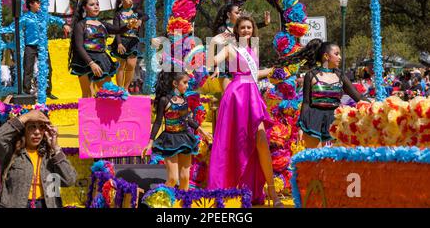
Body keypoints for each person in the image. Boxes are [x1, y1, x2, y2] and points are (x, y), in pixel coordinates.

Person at [207, 15, 282, 207]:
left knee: (261, 141)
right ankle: (231, 190)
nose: (246, 31)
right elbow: (210, 63)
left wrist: (276, 71)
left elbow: (254, 73)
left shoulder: (253, 49)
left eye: (249, 28)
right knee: (235, 143)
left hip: (253, 96)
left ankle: (271, 192)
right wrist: (213, 42)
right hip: (237, 96)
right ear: (237, 30)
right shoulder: (230, 48)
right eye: (243, 28)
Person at [282, 39, 368, 148]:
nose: (340, 57)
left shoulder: (340, 75)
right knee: (315, 160)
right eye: (336, 54)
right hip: (313, 121)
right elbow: (306, 103)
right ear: (326, 56)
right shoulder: (311, 75)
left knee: (334, 160)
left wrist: (376, 104)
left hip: (335, 121)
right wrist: (301, 127)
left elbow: (357, 96)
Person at [0, 0, 71, 99]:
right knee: (28, 69)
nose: (40, 5)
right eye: (37, 3)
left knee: (48, 69)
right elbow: (13, 28)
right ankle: (26, 92)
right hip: (30, 46)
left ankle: (47, 92)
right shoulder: (25, 18)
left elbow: (55, 19)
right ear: (31, 4)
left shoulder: (43, 16)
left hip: (42, 47)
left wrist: (64, 24)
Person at [0, 109, 77, 208]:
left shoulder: (50, 155)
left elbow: (69, 180)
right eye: (32, 127)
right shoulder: (12, 152)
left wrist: (55, 148)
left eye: (41, 127)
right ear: (23, 130)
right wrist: (26, 117)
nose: (37, 132)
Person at [141, 72, 211, 191]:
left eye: (187, 82)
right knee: (173, 179)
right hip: (170, 141)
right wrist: (150, 143)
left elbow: (187, 119)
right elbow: (158, 122)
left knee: (184, 178)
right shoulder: (164, 100)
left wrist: (201, 130)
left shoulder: (183, 99)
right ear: (175, 83)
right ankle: (157, 200)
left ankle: (183, 203)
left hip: (184, 139)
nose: (187, 85)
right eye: (185, 82)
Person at [68, 0, 135, 98]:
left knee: (108, 93)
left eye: (97, 4)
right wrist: (91, 63)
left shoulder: (102, 24)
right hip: (85, 61)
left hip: (102, 59)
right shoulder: (80, 25)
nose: (96, 7)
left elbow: (117, 30)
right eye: (92, 5)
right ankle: (89, 114)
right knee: (88, 95)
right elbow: (79, 47)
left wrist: (129, 26)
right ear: (85, 8)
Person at [109, 0, 148, 91]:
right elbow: (116, 30)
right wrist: (119, 43)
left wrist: (141, 20)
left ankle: (126, 89)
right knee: (121, 66)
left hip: (133, 41)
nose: (130, 0)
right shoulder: (118, 14)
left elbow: (146, 16)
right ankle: (120, 88)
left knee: (131, 65)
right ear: (122, 1)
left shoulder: (136, 11)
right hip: (122, 40)